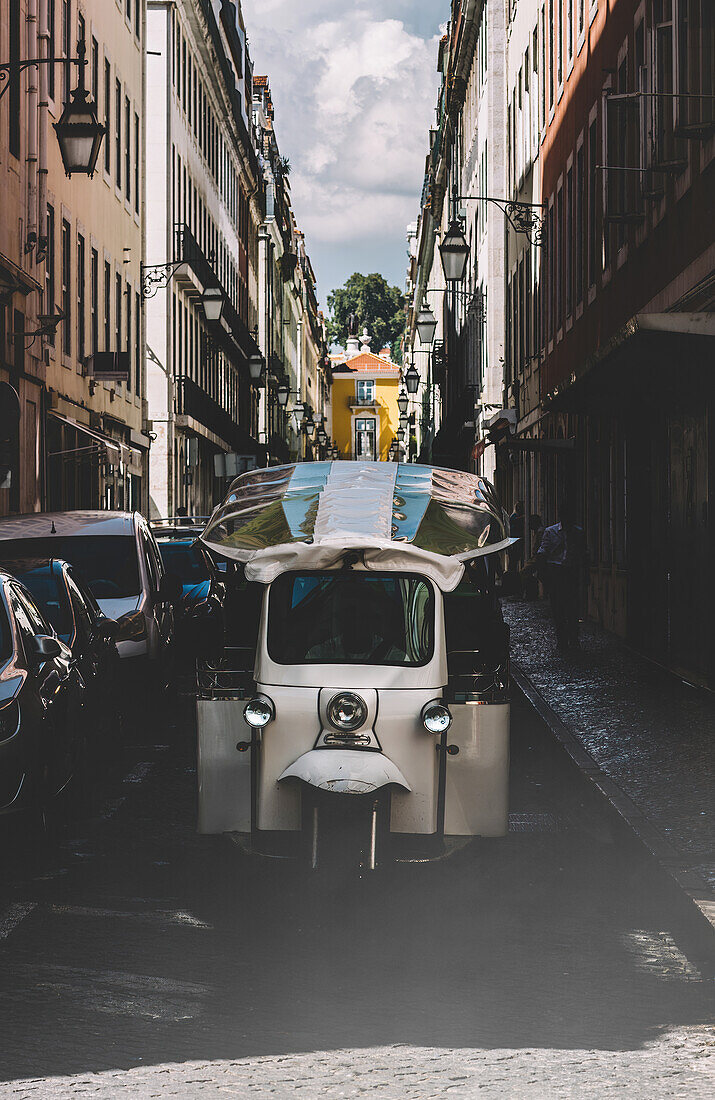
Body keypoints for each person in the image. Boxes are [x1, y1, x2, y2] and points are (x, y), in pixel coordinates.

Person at [536, 502, 586, 650]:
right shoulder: (551, 532)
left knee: (573, 607)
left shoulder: (578, 532)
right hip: (556, 572)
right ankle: (562, 638)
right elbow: (542, 551)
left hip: (571, 572)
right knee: (558, 608)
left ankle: (573, 637)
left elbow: (583, 554)